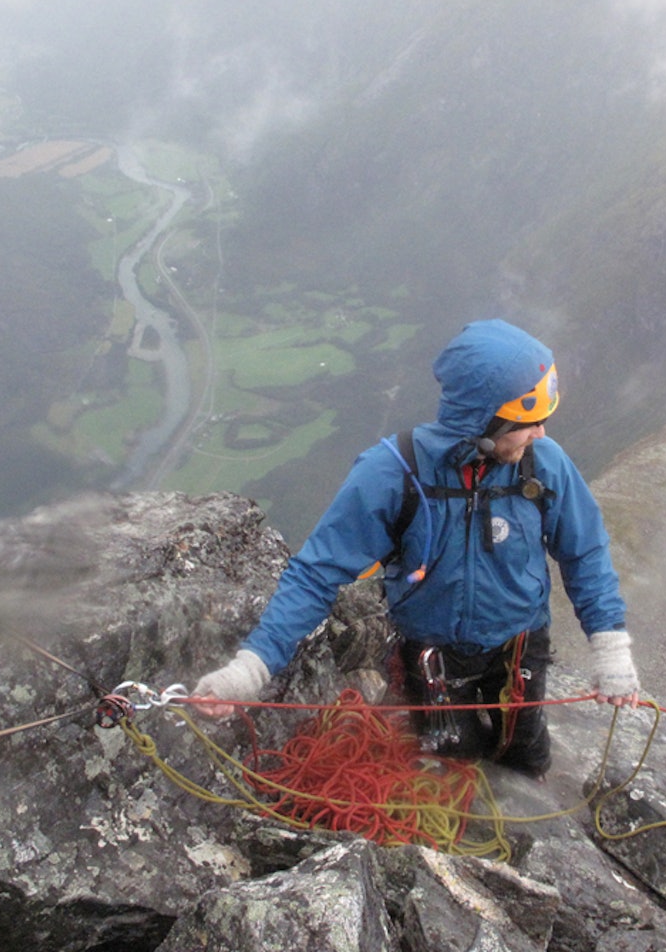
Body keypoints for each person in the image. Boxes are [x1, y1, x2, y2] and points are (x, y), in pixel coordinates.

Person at [194, 318, 639, 778]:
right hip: (432, 656)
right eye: (528, 423)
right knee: (452, 764)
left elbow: (584, 551)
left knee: (525, 758)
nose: (541, 434)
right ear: (485, 421)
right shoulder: (392, 473)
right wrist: (250, 669)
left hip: (520, 647)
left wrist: (610, 648)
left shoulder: (544, 465)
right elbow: (316, 573)